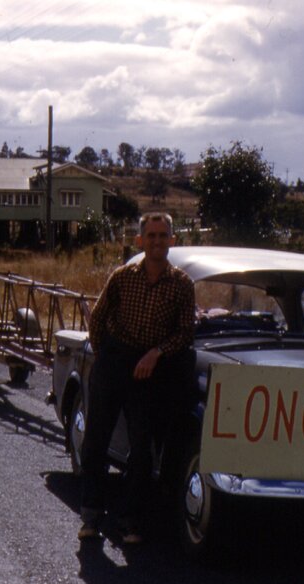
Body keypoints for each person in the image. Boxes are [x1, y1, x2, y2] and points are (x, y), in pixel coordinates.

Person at [78, 212, 195, 545]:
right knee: (96, 441)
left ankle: (129, 520)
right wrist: (105, 358)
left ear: (173, 240)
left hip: (147, 368)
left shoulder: (182, 285)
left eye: (164, 235)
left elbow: (185, 332)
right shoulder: (122, 277)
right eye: (151, 235)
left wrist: (156, 353)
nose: (158, 241)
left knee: (141, 450)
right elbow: (98, 319)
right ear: (140, 241)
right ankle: (90, 514)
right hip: (114, 360)